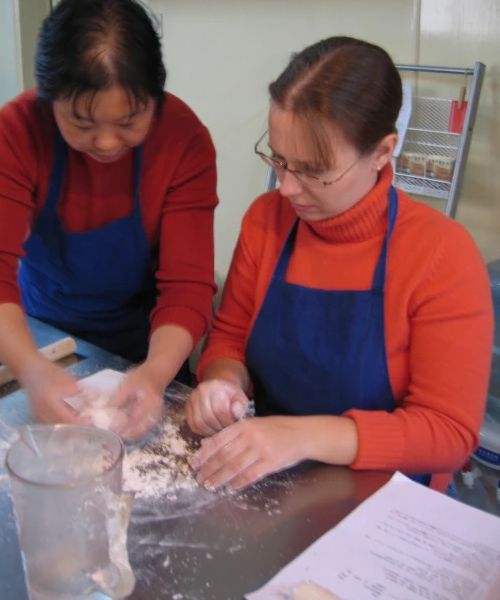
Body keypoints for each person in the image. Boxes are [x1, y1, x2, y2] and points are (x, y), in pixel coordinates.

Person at [186, 36, 493, 494]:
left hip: (390, 500)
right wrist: (221, 382)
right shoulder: (266, 220)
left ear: (383, 152)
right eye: (279, 159)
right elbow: (230, 336)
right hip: (273, 477)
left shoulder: (442, 253)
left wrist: (303, 436)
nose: (287, 187)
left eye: (313, 170)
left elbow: (448, 433)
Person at [0, 0, 217, 436]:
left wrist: (155, 374)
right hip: (41, 342)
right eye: (81, 123)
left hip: (148, 348)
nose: (107, 143)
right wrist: (33, 371)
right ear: (48, 99)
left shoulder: (182, 139)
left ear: (155, 96)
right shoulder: (17, 131)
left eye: (130, 121)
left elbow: (186, 287)